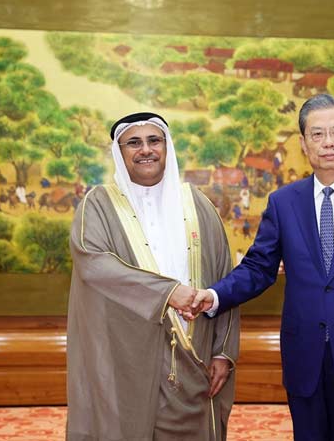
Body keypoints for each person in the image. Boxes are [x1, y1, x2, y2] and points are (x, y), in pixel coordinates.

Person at [191, 94, 334, 441]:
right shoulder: (283, 202)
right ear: (303, 143)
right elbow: (258, 268)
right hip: (304, 354)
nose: (328, 142)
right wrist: (214, 296)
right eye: (317, 134)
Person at [66, 112, 240, 441]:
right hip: (124, 357)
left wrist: (223, 351)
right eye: (134, 142)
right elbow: (94, 264)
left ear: (166, 146)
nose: (145, 150)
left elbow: (223, 277)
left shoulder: (198, 204)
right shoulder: (98, 205)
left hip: (195, 353)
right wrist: (168, 293)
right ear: (119, 152)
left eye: (154, 140)